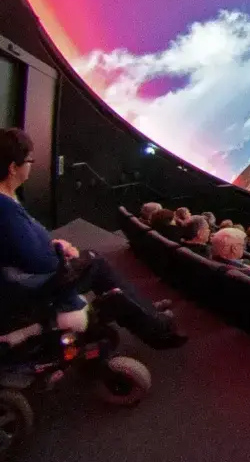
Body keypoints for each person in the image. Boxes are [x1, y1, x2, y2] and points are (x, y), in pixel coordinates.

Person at [0, 128, 185, 348]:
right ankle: (156, 329)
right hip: (34, 286)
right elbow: (39, 261)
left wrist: (55, 243)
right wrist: (61, 250)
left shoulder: (8, 201)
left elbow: (24, 242)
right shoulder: (5, 209)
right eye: (29, 160)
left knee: (95, 263)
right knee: (96, 263)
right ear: (13, 168)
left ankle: (145, 309)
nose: (31, 165)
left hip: (26, 277)